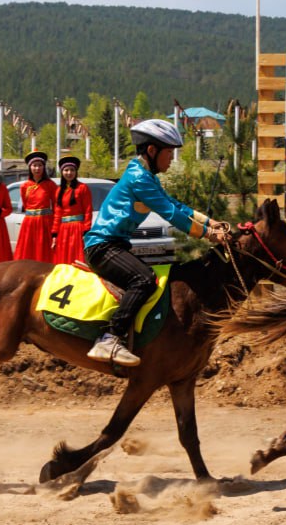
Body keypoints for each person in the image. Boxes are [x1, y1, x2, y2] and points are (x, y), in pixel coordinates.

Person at [84, 119, 229, 367]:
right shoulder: (139, 179)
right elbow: (170, 215)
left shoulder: (145, 176)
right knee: (144, 279)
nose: (171, 159)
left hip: (115, 245)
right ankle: (110, 337)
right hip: (103, 247)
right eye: (169, 153)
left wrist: (210, 222)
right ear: (152, 151)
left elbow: (176, 205)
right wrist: (208, 235)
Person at [14, 150, 58, 262]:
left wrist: (55, 229)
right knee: (28, 252)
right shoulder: (25, 186)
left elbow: (57, 206)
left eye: (40, 165)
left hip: (45, 223)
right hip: (29, 223)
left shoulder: (50, 185)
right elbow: (25, 204)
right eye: (34, 165)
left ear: (44, 167)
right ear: (30, 168)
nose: (37, 168)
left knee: (45, 253)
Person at [51, 156, 92, 265]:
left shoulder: (82, 188)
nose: (69, 173)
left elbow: (88, 210)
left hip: (78, 228)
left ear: (76, 172)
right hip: (63, 229)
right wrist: (54, 234)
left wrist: (86, 230)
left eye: (72, 170)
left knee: (78, 258)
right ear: (61, 172)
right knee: (63, 259)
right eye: (66, 170)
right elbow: (57, 214)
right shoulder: (59, 190)